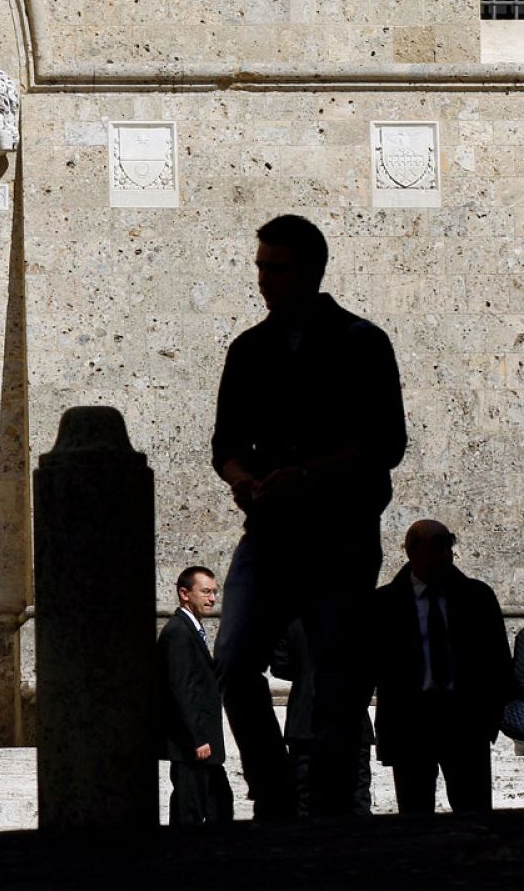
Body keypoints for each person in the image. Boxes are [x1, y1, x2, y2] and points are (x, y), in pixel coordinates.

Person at [210, 214, 406, 819]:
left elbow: (387, 443)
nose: (264, 279)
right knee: (233, 661)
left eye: (277, 268)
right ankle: (274, 793)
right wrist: (242, 479)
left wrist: (308, 475)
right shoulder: (249, 350)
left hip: (340, 535)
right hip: (269, 532)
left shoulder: (361, 342)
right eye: (260, 267)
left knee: (338, 677)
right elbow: (224, 446)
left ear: (312, 271)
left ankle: (328, 805)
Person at [368, 520, 511, 814]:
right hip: (410, 724)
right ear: (412, 551)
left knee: (474, 816)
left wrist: (488, 720)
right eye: (437, 546)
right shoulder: (384, 605)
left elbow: (497, 661)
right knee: (415, 816)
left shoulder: (477, 598)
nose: (446, 554)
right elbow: (370, 667)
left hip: (465, 721)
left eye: (449, 544)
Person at [271, 620, 374, 816]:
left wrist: (305, 674)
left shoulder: (291, 621)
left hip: (306, 721)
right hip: (350, 717)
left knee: (306, 802)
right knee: (356, 800)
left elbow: (280, 666)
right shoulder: (356, 618)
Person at [156, 566, 234, 824]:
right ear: (184, 594)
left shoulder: (191, 629)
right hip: (192, 747)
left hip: (203, 746)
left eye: (214, 592)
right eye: (206, 592)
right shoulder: (178, 633)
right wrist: (197, 739)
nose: (212, 599)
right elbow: (181, 691)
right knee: (189, 812)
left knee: (218, 804)